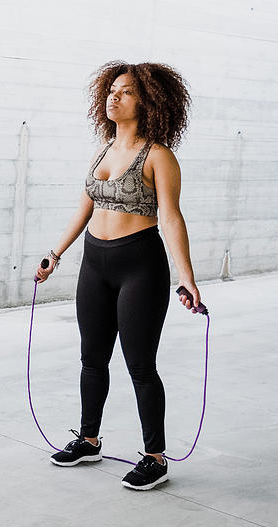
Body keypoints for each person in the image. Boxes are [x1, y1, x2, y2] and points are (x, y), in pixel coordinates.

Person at [35, 61, 201, 491]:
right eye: (111, 90)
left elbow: (170, 216)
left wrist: (186, 277)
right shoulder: (104, 150)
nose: (114, 97)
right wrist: (54, 254)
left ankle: (155, 458)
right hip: (95, 262)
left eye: (126, 92)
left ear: (148, 101)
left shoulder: (159, 155)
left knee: (141, 366)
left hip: (139, 265)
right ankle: (89, 440)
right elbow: (84, 207)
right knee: (92, 358)